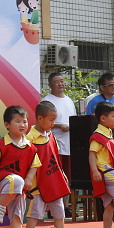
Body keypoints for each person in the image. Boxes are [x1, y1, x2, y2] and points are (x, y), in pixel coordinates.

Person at [24, 101, 74, 228]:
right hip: (37, 185)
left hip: (54, 182)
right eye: (51, 120)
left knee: (59, 213)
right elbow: (26, 161)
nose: (53, 123)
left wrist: (62, 173)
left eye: (54, 119)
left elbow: (55, 156)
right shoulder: (30, 138)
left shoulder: (50, 135)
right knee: (34, 215)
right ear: (40, 118)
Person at [41, 73, 76, 217]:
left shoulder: (69, 100)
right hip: (53, 144)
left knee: (67, 176)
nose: (60, 84)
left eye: (62, 81)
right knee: (54, 176)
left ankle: (65, 206)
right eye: (56, 81)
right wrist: (60, 125)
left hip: (69, 144)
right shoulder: (46, 101)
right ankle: (51, 208)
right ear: (49, 85)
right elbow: (42, 122)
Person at [86, 73, 114, 143]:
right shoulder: (94, 101)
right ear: (102, 87)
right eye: (110, 85)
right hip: (101, 140)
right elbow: (88, 122)